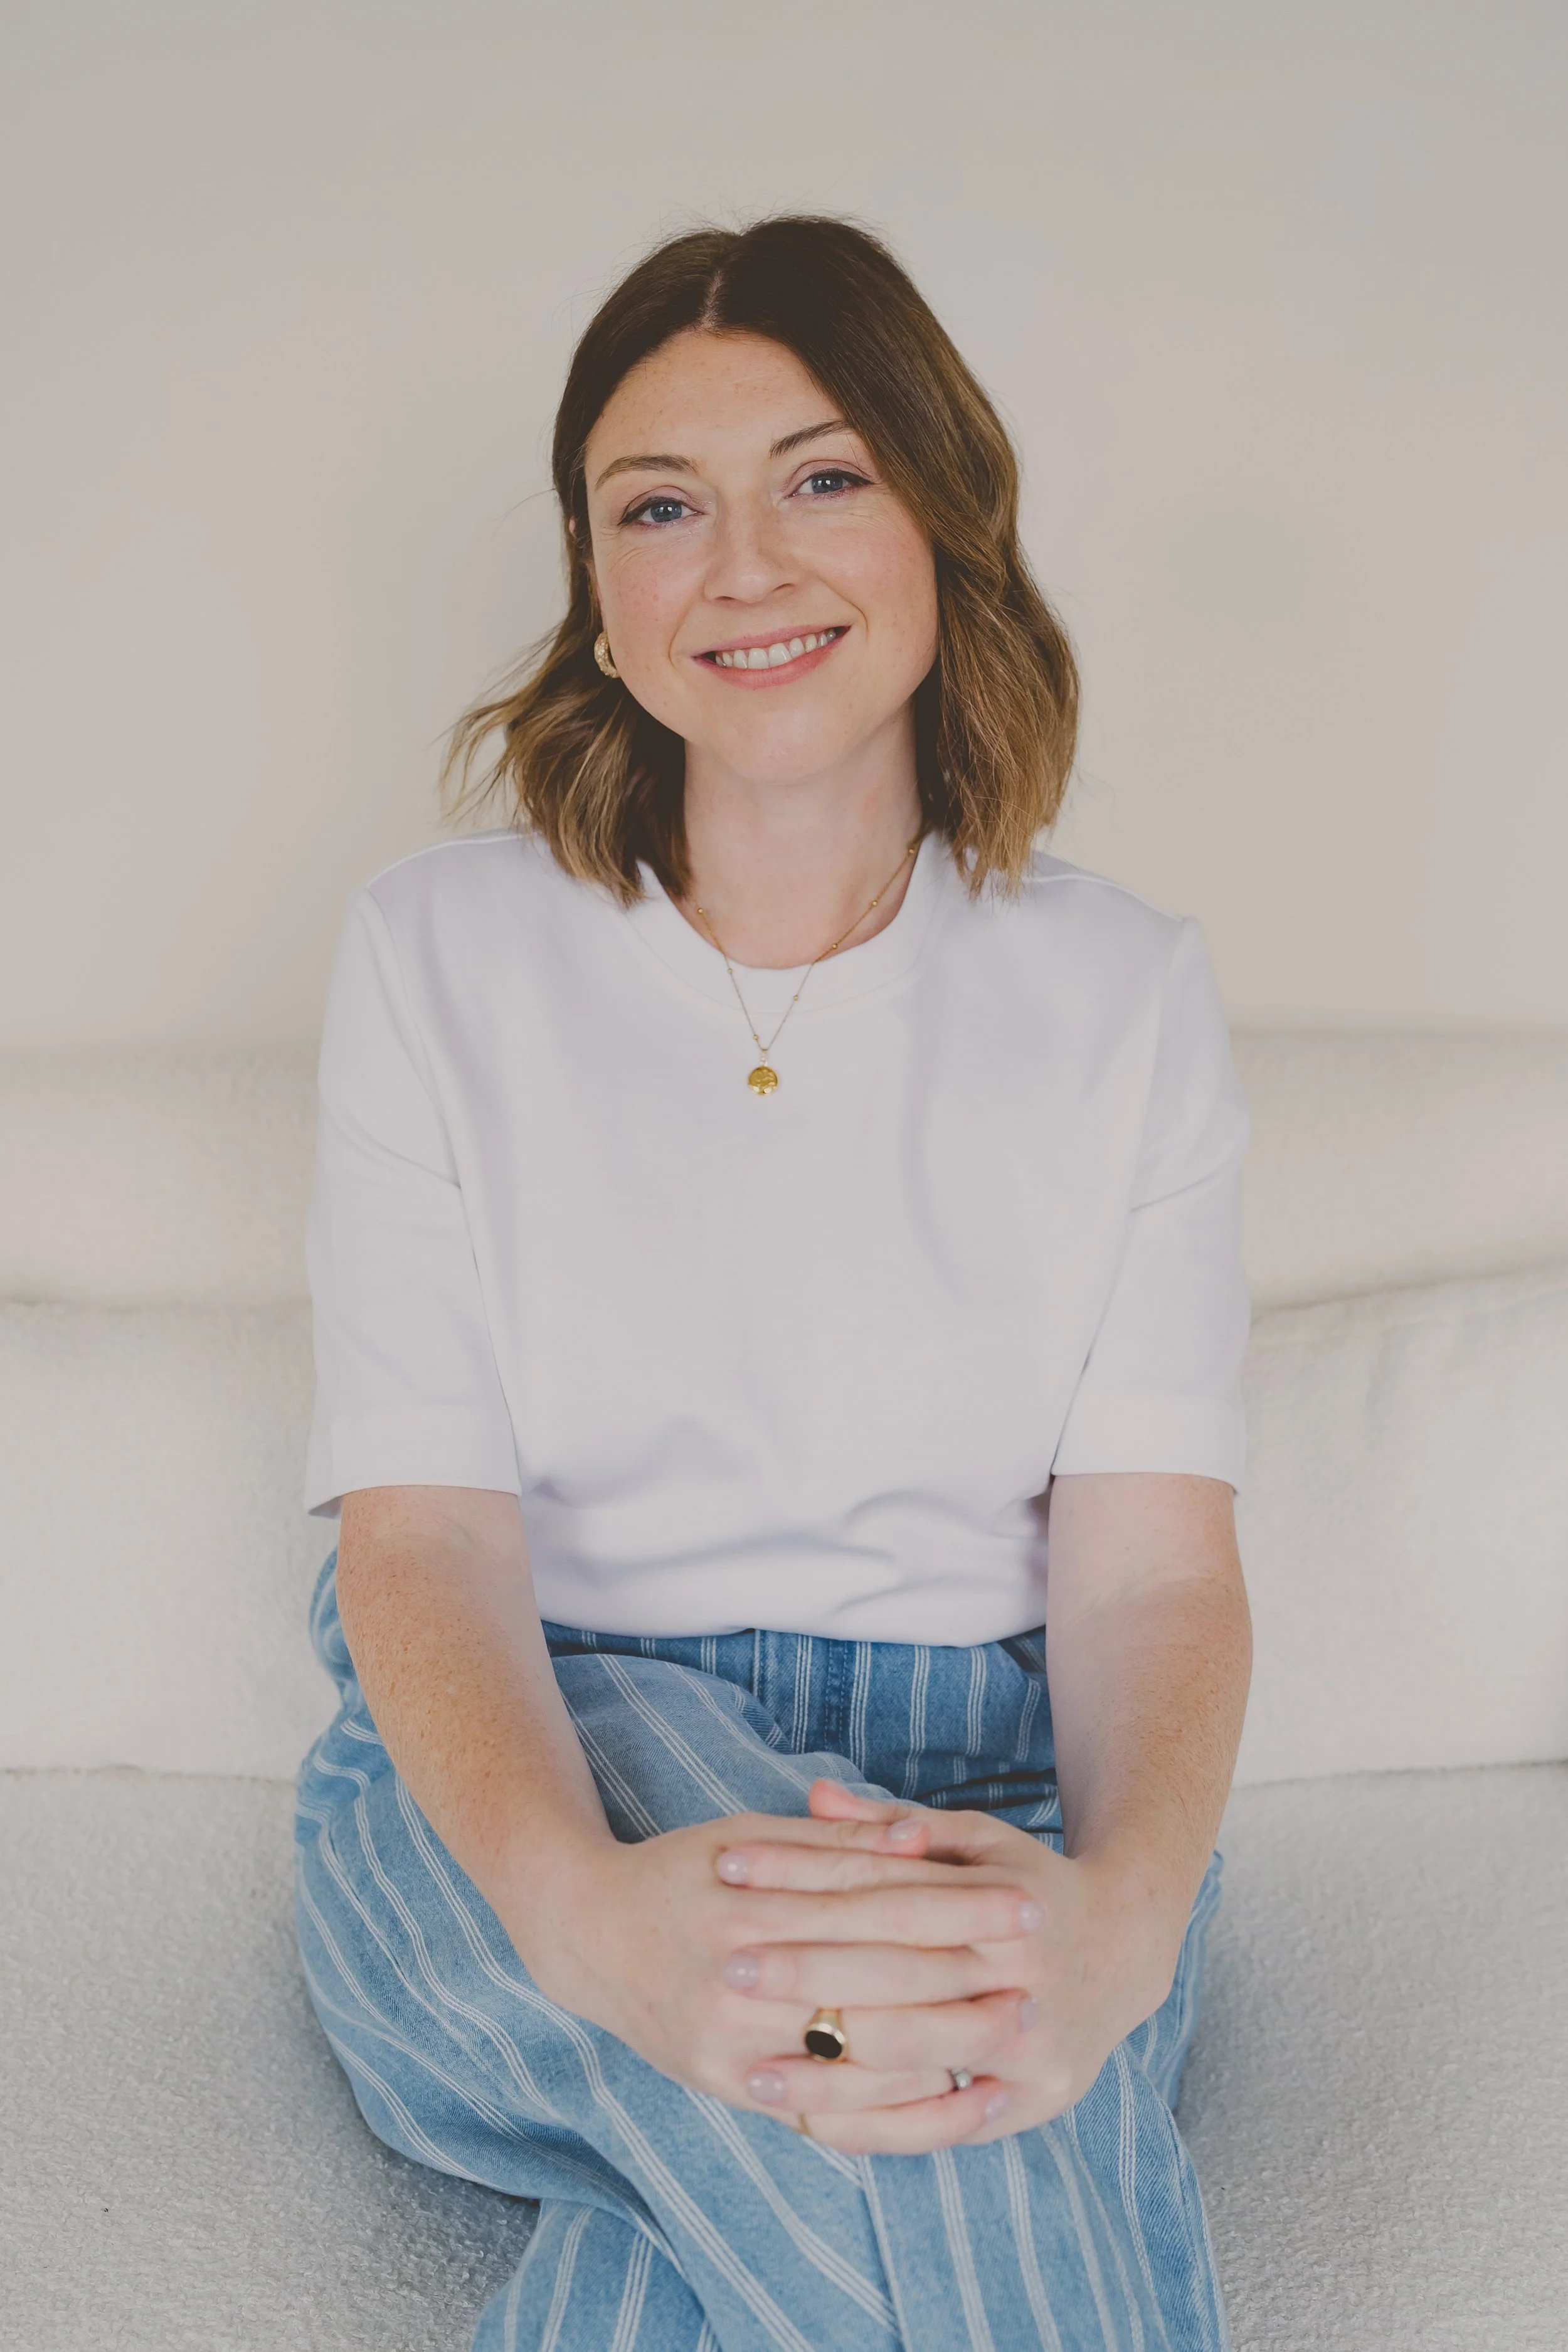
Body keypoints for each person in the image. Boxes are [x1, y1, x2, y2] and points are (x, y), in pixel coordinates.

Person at [294, 214, 1253, 2352]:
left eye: (823, 476)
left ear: (941, 520)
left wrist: (1112, 1927)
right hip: (529, 1751)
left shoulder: (1121, 994)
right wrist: (589, 1915)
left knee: (848, 2111)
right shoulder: (435, 954)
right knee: (917, 2097)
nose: (745, 563)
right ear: (601, 600)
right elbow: (425, 1537)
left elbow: (1148, 1588)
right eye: (662, 506)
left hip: (987, 1780)